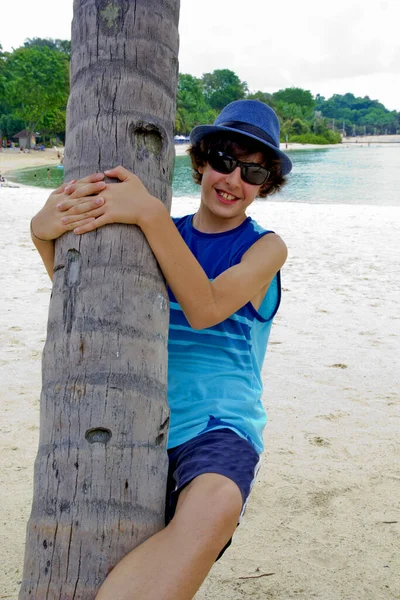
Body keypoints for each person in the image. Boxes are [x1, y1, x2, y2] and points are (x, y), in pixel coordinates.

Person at [30, 100, 292, 600]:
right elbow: (91, 301)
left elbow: (207, 306)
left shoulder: (266, 248)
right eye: (222, 159)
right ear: (199, 162)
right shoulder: (156, 228)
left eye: (253, 170)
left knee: (217, 503)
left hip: (217, 426)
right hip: (135, 420)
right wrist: (42, 232)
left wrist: (150, 214)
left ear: (265, 183)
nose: (233, 178)